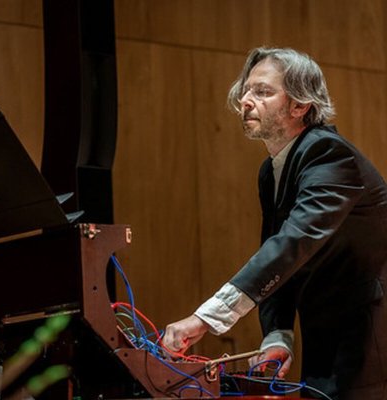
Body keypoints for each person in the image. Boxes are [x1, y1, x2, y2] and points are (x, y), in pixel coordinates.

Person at [162, 47, 387, 400]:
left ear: (300, 105)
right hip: (327, 330)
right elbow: (277, 249)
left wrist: (205, 318)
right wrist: (277, 335)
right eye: (245, 91)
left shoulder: (329, 154)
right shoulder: (272, 169)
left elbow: (293, 243)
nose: (245, 101)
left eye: (263, 91)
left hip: (369, 334)